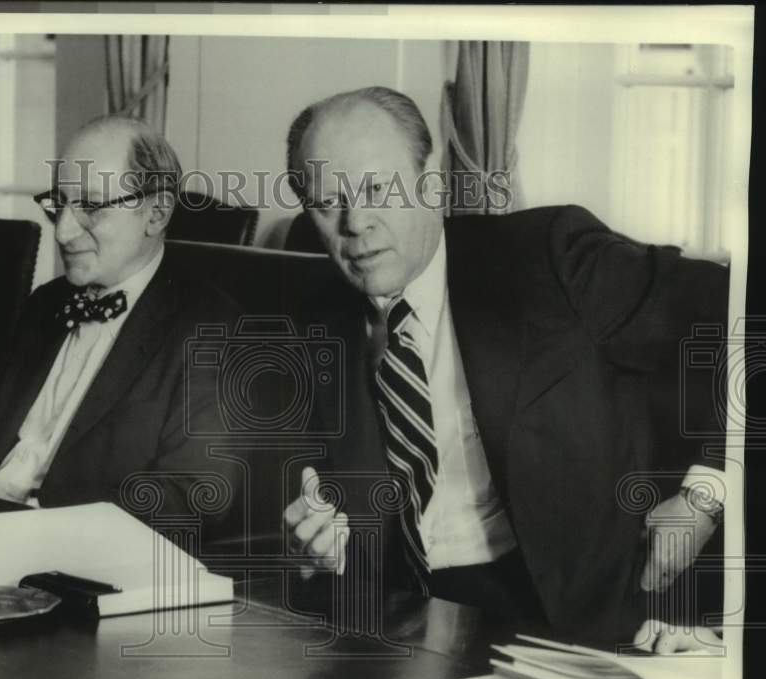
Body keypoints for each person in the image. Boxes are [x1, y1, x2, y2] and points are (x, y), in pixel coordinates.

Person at [282, 86, 728, 644]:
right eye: (328, 202)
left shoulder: (550, 257)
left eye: (377, 188)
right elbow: (307, 528)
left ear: (432, 182)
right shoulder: (306, 326)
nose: (355, 222)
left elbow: (736, 316)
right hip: (408, 628)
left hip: (584, 623)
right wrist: (309, 553)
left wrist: (705, 493)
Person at [0, 116, 240, 532]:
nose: (64, 232)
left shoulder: (215, 331)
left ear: (156, 214)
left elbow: (192, 498)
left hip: (73, 561)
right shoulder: (45, 304)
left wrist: (9, 507)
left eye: (91, 207)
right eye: (58, 205)